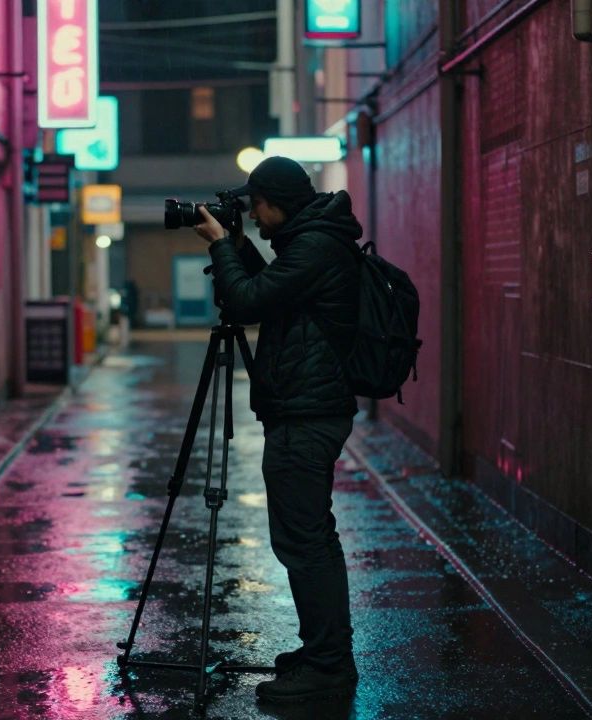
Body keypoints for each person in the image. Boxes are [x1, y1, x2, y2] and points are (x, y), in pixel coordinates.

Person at [192, 156, 363, 703]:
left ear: (276, 201)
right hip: (305, 409)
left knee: (303, 540)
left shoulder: (314, 247)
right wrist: (237, 245)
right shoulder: (313, 241)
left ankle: (329, 668)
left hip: (307, 414)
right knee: (311, 537)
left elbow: (246, 300)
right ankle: (323, 652)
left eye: (257, 206)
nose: (255, 217)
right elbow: (270, 289)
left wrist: (221, 244)